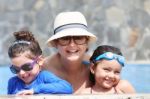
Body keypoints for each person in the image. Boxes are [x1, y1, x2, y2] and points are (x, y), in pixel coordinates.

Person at [43, 11, 97, 94]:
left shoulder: (97, 66)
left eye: (78, 37)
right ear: (56, 43)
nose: (72, 45)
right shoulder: (42, 68)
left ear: (87, 42)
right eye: (65, 38)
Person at [7, 31, 73, 95]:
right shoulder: (13, 83)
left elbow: (67, 87)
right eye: (15, 69)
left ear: (39, 61)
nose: (22, 73)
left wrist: (36, 89)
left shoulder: (44, 77)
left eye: (26, 67)